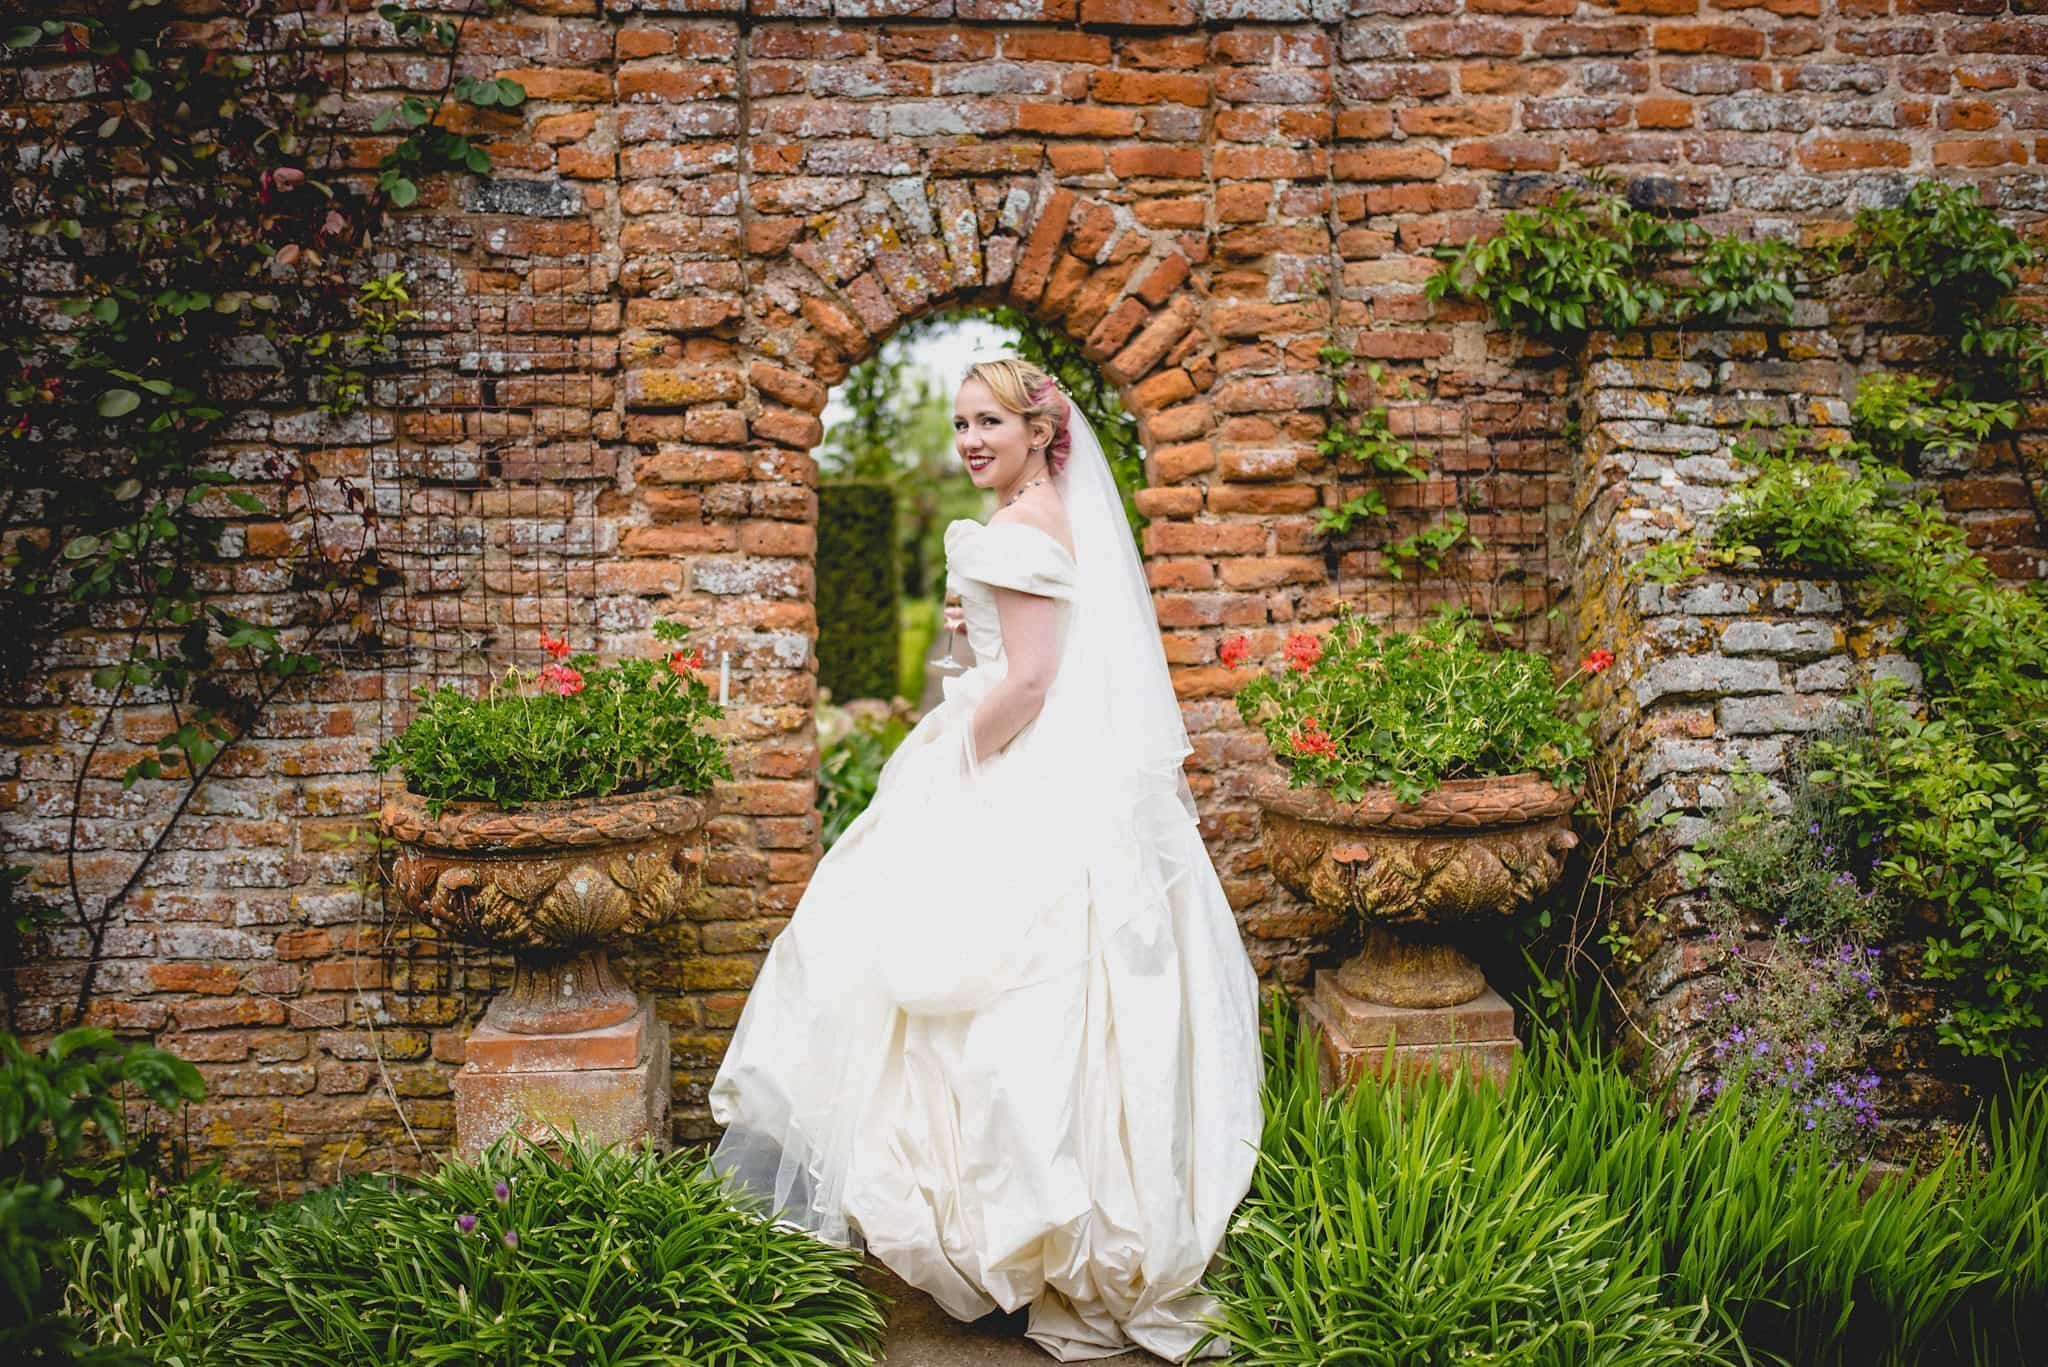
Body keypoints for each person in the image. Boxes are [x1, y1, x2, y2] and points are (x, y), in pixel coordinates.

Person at [706, 357, 1265, 1362]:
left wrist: (945, 761)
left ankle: (1002, 1223)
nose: (969, 440)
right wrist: (976, 647)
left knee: (991, 990)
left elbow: (1036, 679)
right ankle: (1032, 1218)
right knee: (1048, 999)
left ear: (1038, 431)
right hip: (1057, 768)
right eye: (960, 422)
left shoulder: (1013, 528)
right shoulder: (1050, 520)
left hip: (1014, 769)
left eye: (988, 423)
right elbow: (1034, 650)